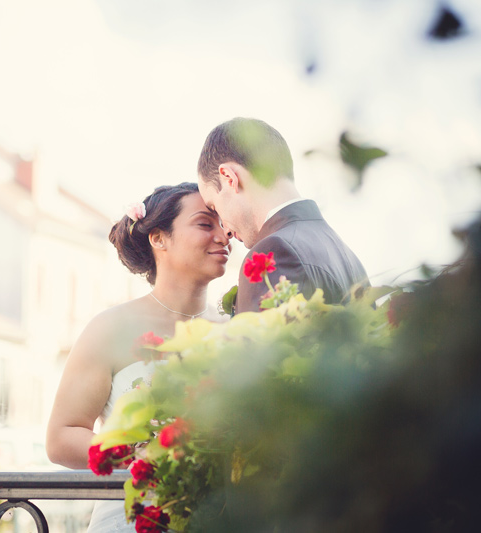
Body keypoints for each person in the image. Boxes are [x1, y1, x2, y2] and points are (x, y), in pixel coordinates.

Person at [46, 182, 231, 532]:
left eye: (223, 224)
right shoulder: (110, 328)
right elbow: (61, 438)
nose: (224, 236)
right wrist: (145, 456)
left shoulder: (233, 331)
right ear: (159, 238)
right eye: (206, 224)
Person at [197, 117, 368, 314]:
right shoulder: (346, 255)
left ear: (229, 178)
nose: (225, 231)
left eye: (214, 206)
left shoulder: (276, 251)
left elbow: (266, 345)